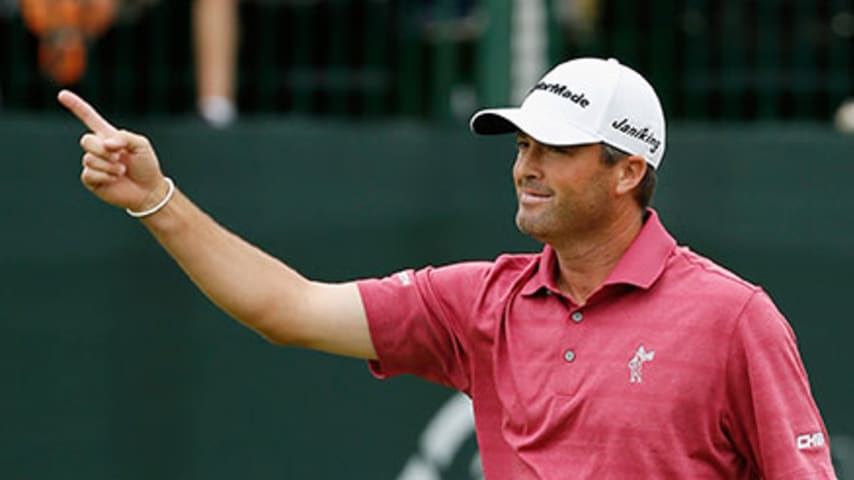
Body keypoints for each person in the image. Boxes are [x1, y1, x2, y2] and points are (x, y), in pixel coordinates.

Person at [58, 57, 837, 479]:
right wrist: (155, 199)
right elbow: (285, 308)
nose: (525, 167)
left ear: (627, 170)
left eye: (554, 150)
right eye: (522, 145)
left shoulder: (735, 318)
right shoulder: (483, 302)